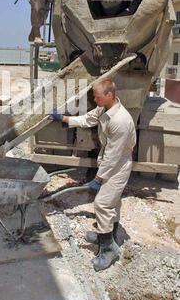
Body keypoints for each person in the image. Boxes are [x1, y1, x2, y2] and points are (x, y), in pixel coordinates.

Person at [50, 78, 136, 271]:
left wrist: (99, 178)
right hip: (111, 161)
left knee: (103, 204)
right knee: (112, 202)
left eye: (97, 97)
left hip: (118, 166)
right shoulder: (104, 109)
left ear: (109, 95)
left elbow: (114, 156)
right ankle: (108, 234)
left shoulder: (120, 121)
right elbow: (87, 119)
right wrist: (63, 119)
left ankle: (108, 250)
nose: (95, 100)